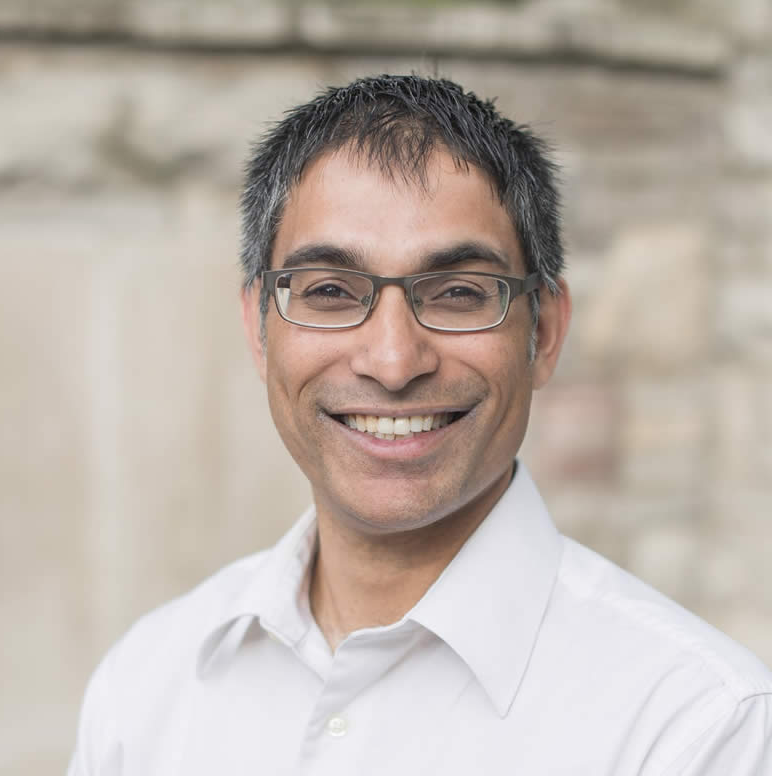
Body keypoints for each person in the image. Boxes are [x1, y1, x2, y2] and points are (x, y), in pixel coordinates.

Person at [69, 75, 771, 775]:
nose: (394, 361)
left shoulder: (699, 729)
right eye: (330, 291)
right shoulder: (147, 687)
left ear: (545, 332)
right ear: (259, 329)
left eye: (459, 293)